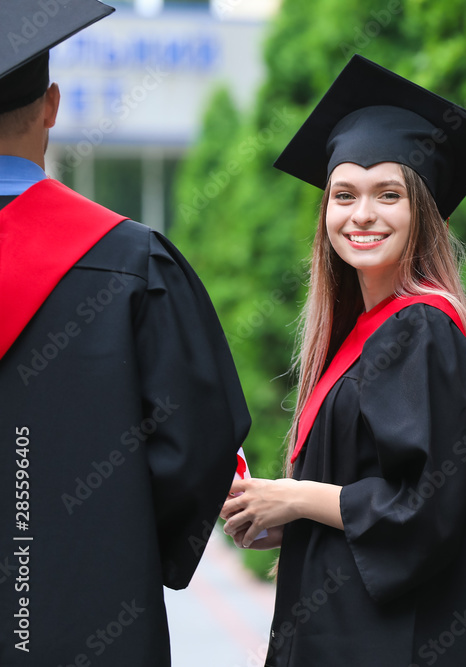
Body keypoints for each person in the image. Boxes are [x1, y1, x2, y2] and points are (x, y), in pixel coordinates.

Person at [220, 55, 466, 666]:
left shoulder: (422, 329)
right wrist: (277, 518)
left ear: (423, 211)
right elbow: (360, 494)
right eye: (344, 194)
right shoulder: (363, 334)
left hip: (386, 642)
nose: (362, 215)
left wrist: (296, 498)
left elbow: (424, 506)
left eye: (388, 194)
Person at [0, 2, 251, 665]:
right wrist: (123, 539)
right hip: (90, 617)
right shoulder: (133, 262)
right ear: (52, 106)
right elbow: (199, 442)